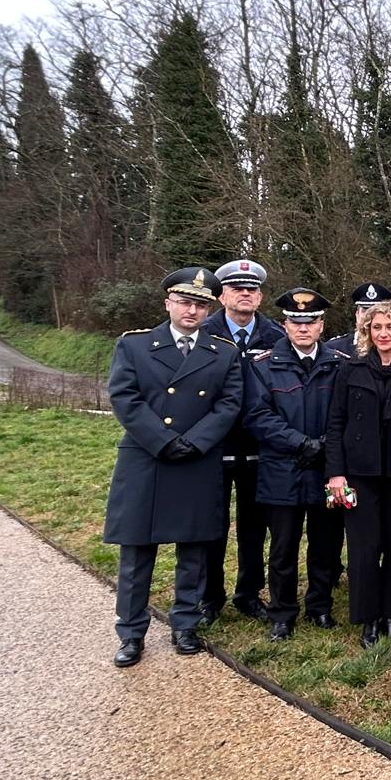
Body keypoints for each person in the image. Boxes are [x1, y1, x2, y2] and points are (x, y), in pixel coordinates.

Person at [103, 267, 244, 666]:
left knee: (193, 550)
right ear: (168, 303)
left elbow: (229, 405)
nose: (191, 310)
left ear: (210, 309)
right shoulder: (135, 346)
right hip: (146, 458)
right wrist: (164, 441)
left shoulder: (223, 352)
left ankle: (185, 624)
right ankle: (131, 633)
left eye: (200, 304)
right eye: (184, 301)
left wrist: (195, 442)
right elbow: (125, 398)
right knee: (137, 553)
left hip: (197, 459)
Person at [242, 287, 350, 639]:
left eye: (311, 321)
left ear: (322, 325)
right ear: (285, 325)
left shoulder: (339, 365)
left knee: (325, 546)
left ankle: (319, 607)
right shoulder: (262, 366)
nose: (303, 328)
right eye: (295, 321)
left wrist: (325, 449)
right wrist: (302, 444)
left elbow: (348, 415)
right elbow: (258, 417)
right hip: (282, 468)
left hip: (326, 470)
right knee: (283, 548)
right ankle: (282, 614)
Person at [324, 300, 391, 648]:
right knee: (364, 548)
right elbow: (336, 423)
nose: (383, 333)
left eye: (390, 327)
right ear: (367, 331)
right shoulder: (350, 369)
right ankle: (368, 618)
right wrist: (336, 473)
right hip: (359, 474)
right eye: (377, 327)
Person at [201, 257, 284, 624]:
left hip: (259, 446)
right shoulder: (203, 334)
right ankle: (209, 597)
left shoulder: (277, 337)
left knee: (254, 527)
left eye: (251, 289)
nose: (245, 294)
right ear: (222, 296)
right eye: (237, 289)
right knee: (210, 526)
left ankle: (248, 594)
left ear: (261, 297)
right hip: (213, 445)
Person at [323, 281, 391, 356]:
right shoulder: (334, 348)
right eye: (365, 311)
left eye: (375, 312)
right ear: (357, 314)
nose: (368, 316)